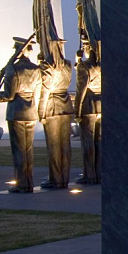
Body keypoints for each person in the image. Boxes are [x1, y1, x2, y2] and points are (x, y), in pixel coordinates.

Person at [0, 36, 41, 193]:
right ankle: (28, 182)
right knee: (28, 150)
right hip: (31, 113)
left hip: (16, 113)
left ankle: (21, 184)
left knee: (18, 150)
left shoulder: (13, 69)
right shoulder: (36, 69)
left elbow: (9, 95)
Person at [38, 40, 74, 188]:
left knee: (53, 145)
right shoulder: (68, 64)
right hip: (65, 105)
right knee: (65, 145)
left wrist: (41, 112)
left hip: (52, 107)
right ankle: (64, 177)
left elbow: (45, 90)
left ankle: (56, 178)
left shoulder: (48, 66)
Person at [74, 40, 102, 184]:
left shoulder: (84, 66)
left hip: (89, 105)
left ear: (87, 48)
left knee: (88, 142)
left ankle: (89, 174)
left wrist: (77, 112)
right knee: (99, 141)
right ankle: (100, 172)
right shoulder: (101, 64)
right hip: (101, 105)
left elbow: (81, 90)